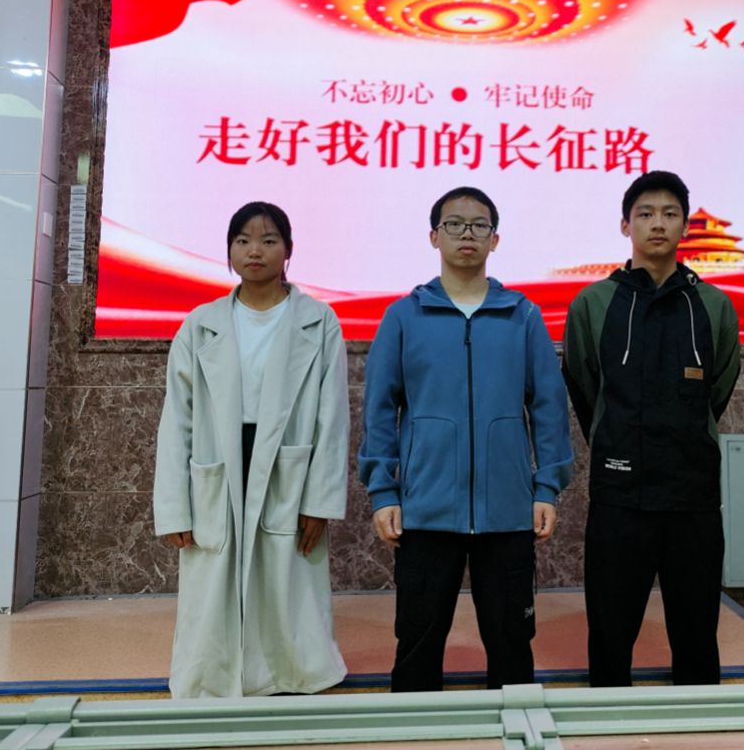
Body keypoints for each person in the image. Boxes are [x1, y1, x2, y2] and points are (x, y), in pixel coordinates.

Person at [359, 186, 574, 692]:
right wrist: (383, 492)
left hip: (508, 511)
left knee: (512, 641)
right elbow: (379, 409)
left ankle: (517, 728)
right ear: (434, 237)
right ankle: (414, 729)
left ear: (495, 240)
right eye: (454, 224)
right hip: (425, 509)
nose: (466, 234)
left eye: (479, 225)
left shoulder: (522, 315)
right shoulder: (404, 316)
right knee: (416, 640)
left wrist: (546, 488)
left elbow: (549, 406)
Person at [153, 201, 350, 699]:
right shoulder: (201, 323)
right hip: (220, 460)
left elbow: (332, 418)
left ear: (288, 250)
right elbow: (177, 420)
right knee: (213, 581)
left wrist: (319, 501)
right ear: (229, 252)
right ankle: (211, 675)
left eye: (268, 240)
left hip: (288, 462)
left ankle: (290, 674)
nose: (254, 250)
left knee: (286, 579)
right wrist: (175, 506)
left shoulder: (318, 321)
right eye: (242, 240)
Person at [561, 171, 741, 688]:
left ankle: (697, 726)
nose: (657, 223)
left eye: (669, 213)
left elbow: (718, 388)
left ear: (684, 225)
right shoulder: (593, 303)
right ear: (626, 225)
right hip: (620, 498)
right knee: (610, 636)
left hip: (693, 498)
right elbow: (585, 387)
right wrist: (618, 436)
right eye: (645, 214)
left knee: (697, 636)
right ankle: (607, 726)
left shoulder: (713, 305)